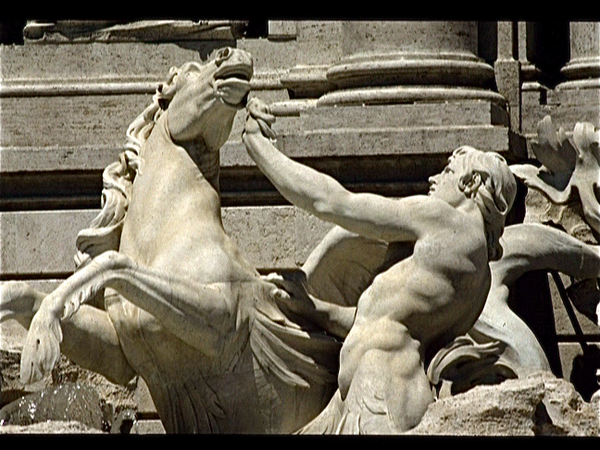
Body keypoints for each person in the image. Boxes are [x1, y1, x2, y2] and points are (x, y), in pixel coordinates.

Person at [242, 98, 517, 434]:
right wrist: (313, 308)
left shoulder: (445, 221)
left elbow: (333, 201)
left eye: (448, 171)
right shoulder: (480, 278)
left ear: (471, 182)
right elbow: (381, 322)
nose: (434, 178)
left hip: (379, 390)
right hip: (373, 393)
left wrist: (258, 147)